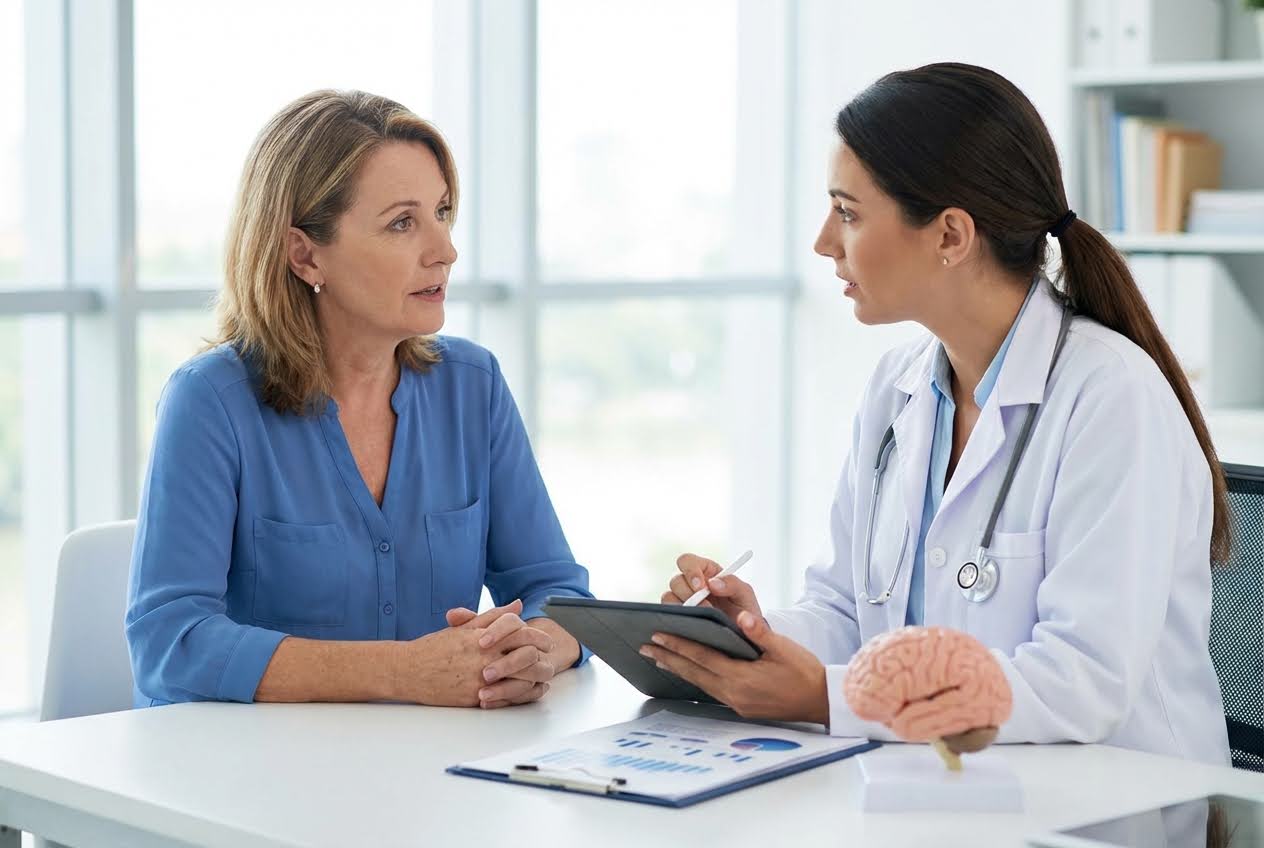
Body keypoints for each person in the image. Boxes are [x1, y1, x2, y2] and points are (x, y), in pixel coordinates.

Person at [644, 63, 1231, 765]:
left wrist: (826, 697)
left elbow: (1083, 681)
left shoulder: (1112, 398)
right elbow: (846, 612)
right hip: (945, 788)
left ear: (951, 236)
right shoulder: (898, 388)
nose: (824, 241)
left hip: (1113, 806)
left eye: (849, 212)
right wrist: (755, 634)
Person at [126, 90, 590, 710]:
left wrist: (530, 650)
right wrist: (405, 673)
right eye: (403, 222)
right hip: (250, 783)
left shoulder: (472, 385)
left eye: (443, 213)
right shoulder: (210, 402)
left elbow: (557, 592)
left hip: (432, 777)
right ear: (305, 253)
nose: (445, 250)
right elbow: (171, 644)